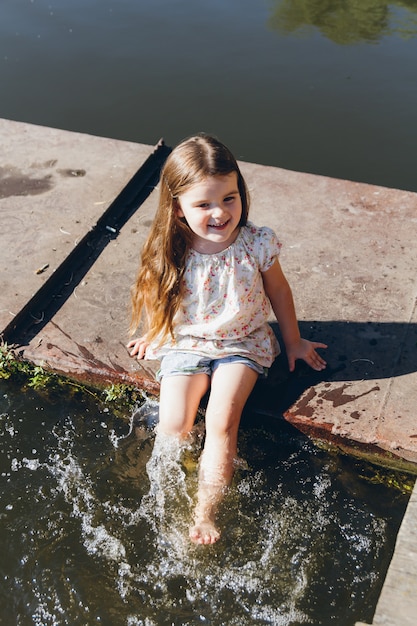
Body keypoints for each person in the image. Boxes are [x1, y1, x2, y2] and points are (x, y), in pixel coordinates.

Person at [127, 133, 327, 545]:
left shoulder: (255, 242)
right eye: (204, 204)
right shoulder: (173, 247)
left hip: (242, 343)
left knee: (222, 421)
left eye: (229, 198)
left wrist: (293, 341)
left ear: (240, 193)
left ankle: (205, 514)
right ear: (178, 208)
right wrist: (155, 331)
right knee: (173, 423)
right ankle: (173, 477)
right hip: (186, 342)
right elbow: (156, 287)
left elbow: (280, 292)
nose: (220, 213)